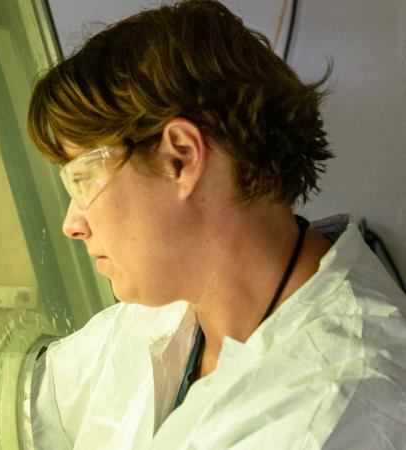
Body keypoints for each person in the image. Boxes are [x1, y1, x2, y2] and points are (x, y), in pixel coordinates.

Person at [26, 0, 406, 449]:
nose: (73, 224)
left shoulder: (336, 410)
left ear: (180, 157)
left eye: (83, 179)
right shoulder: (174, 312)